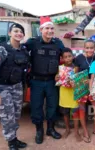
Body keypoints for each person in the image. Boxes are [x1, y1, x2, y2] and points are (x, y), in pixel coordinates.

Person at [0, 23, 29, 150]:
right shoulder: (2, 50)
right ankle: (11, 142)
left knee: (15, 115)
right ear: (10, 33)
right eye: (15, 31)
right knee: (7, 117)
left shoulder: (23, 51)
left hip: (17, 87)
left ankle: (14, 139)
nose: (18, 33)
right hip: (2, 88)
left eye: (21, 32)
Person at [25, 16, 64, 144]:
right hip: (36, 81)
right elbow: (18, 50)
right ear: (41, 29)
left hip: (52, 81)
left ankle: (50, 129)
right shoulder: (32, 42)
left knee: (52, 106)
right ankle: (39, 130)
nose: (50, 31)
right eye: (47, 28)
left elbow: (68, 56)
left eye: (52, 28)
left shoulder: (58, 43)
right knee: (36, 106)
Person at [74, 40, 95, 138]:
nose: (89, 50)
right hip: (81, 86)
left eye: (91, 48)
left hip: (94, 86)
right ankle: (85, 130)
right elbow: (76, 73)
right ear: (84, 48)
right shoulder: (79, 58)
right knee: (82, 109)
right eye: (87, 48)